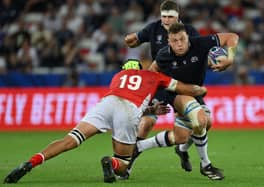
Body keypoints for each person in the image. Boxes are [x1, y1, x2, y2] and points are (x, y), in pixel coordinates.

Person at [3, 59, 207, 184]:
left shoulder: (118, 76)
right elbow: (181, 88)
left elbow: (125, 95)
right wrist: (199, 90)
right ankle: (111, 162)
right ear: (140, 67)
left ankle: (31, 162)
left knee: (69, 140)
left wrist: (150, 109)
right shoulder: (153, 76)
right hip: (128, 110)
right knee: (124, 165)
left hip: (106, 103)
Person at [127, 23, 239, 180]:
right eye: (174, 41)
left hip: (194, 92)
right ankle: (206, 165)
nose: (179, 44)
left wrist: (230, 58)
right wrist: (151, 101)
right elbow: (151, 75)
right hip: (174, 93)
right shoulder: (164, 55)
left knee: (194, 129)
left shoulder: (200, 44)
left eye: (182, 39)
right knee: (199, 120)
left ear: (188, 37)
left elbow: (232, 37)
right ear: (168, 41)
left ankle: (142, 147)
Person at [125, 0, 202, 175]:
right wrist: (130, 39)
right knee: (146, 123)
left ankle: (182, 149)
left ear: (178, 17)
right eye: (164, 17)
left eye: (170, 17)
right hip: (160, 84)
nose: (166, 20)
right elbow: (135, 40)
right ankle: (128, 163)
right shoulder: (153, 28)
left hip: (183, 86)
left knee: (198, 125)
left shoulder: (190, 32)